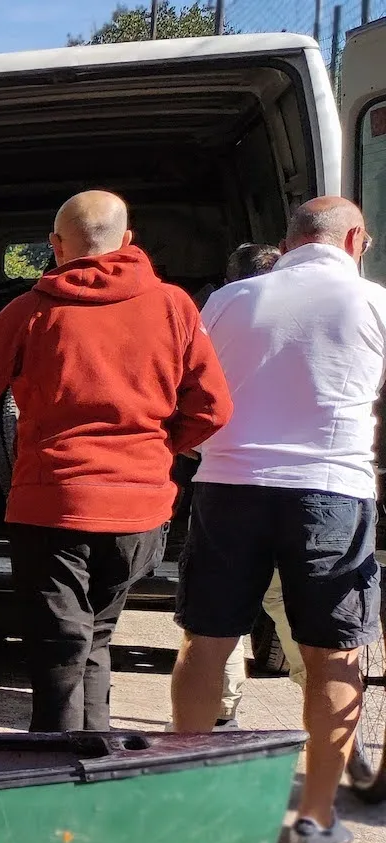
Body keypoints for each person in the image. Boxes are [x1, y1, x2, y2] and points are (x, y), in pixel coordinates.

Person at [0, 190, 232, 733]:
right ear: (128, 240)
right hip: (139, 512)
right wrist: (153, 450)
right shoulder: (174, 306)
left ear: (55, 245)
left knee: (59, 648)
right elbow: (213, 408)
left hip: (54, 506)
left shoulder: (30, 311)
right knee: (94, 635)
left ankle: (58, 762)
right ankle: (94, 753)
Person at [171, 196, 386, 843]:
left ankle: (189, 803)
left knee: (206, 642)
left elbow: (187, 390)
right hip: (332, 492)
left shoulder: (229, 300)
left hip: (229, 484)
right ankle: (315, 820)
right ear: (354, 240)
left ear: (288, 243)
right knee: (333, 654)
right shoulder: (375, 304)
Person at [193, 243, 299, 727]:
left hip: (228, 477)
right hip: (302, 483)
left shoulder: (217, 313)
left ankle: (222, 715)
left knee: (221, 609)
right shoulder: (308, 320)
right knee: (286, 599)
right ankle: (325, 702)